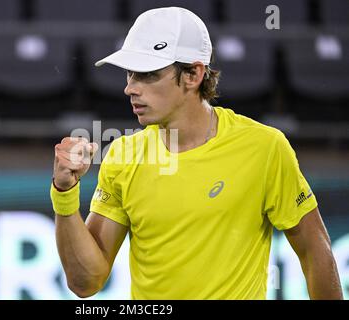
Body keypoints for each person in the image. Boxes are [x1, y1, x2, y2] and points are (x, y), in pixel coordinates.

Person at [50, 7, 343, 299]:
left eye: (147, 75)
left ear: (193, 74)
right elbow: (85, 283)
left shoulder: (264, 148)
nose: (130, 88)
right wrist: (65, 193)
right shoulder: (124, 155)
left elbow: (314, 249)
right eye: (129, 74)